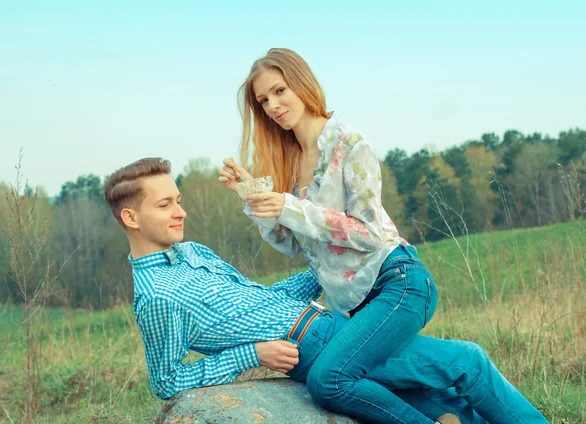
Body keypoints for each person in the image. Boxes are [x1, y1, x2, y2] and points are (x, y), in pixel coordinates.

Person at [220, 48, 547, 423]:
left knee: (329, 379)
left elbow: (369, 233)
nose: (272, 106)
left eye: (279, 91)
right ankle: (465, 372)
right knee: (409, 383)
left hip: (398, 282)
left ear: (301, 83)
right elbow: (296, 244)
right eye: (263, 100)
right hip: (355, 304)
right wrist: (255, 201)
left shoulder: (350, 146)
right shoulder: (293, 164)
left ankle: (470, 374)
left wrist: (289, 207)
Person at [105, 157, 548, 424]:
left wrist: (330, 267)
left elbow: (264, 300)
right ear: (130, 218)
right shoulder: (157, 296)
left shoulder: (192, 253)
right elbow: (166, 380)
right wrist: (253, 355)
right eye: (165, 205)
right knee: (466, 361)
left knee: (442, 398)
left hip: (331, 326)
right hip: (312, 347)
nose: (180, 211)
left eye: (178, 199)